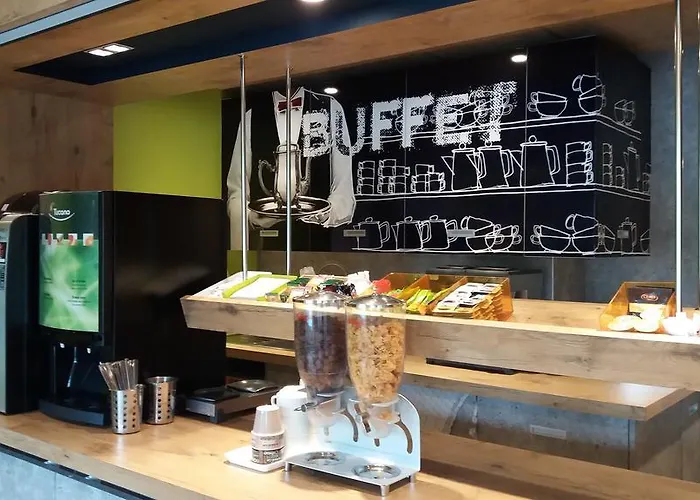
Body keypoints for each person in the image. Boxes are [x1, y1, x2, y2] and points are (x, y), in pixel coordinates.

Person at [227, 87, 356, 250]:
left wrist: (323, 215)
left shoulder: (330, 107)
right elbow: (237, 189)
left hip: (316, 242)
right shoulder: (251, 116)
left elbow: (344, 192)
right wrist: (251, 217)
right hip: (267, 243)